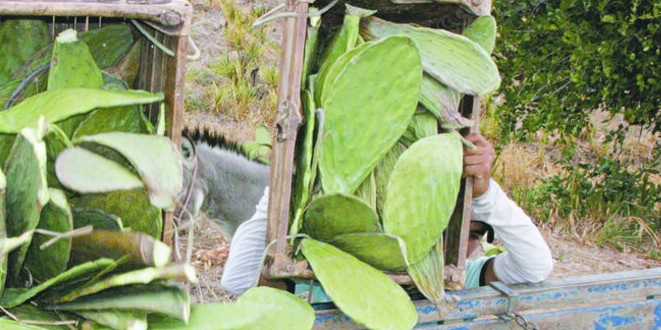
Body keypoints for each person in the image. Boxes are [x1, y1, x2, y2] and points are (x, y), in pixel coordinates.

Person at [220, 132, 553, 296]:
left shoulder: (463, 277)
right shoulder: (337, 276)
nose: (465, 244)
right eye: (450, 229)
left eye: (476, 234)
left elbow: (536, 266)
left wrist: (485, 196)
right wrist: (284, 184)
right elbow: (235, 282)